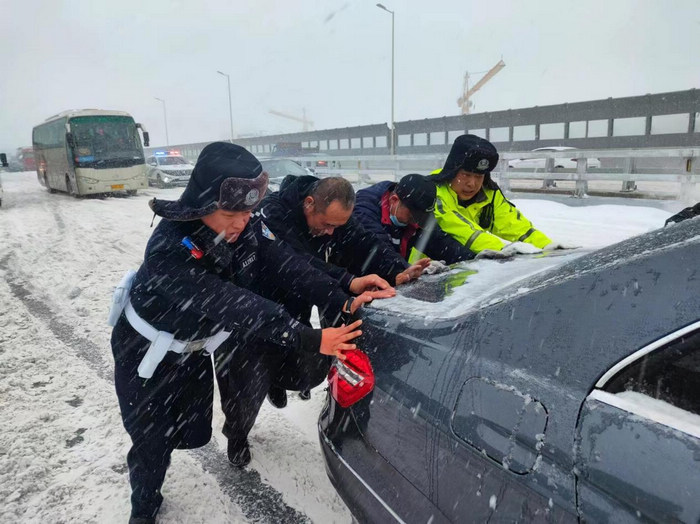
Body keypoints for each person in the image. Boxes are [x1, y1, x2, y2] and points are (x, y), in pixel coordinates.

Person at [109, 142, 381, 523]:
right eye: (231, 213)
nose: (242, 222)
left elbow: (288, 264)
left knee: (185, 426)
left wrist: (346, 290)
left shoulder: (246, 225)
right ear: (204, 203)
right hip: (148, 353)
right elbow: (234, 304)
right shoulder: (169, 251)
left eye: (249, 212)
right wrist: (310, 337)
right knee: (153, 440)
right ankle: (144, 505)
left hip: (193, 347)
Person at [254, 175, 428, 404]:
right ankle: (271, 382)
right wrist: (347, 284)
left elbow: (364, 242)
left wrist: (399, 269)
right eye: (327, 224)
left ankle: (282, 377)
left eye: (337, 226)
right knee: (273, 341)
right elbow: (297, 264)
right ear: (309, 203)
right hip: (268, 288)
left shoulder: (333, 214)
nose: (330, 233)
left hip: (308, 285)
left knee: (299, 337)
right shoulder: (274, 213)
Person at [429, 134, 570, 255]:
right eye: (466, 175)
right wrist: (502, 249)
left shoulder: (489, 193)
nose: (472, 184)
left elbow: (512, 223)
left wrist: (545, 245)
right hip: (423, 273)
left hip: (462, 269)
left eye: (479, 176)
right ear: (451, 171)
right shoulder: (432, 191)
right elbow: (460, 229)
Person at [353, 173, 476, 265]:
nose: (415, 222)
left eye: (421, 218)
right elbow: (378, 253)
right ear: (394, 200)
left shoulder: (414, 208)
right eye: (413, 216)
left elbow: (438, 241)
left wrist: (473, 259)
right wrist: (408, 270)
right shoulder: (364, 211)